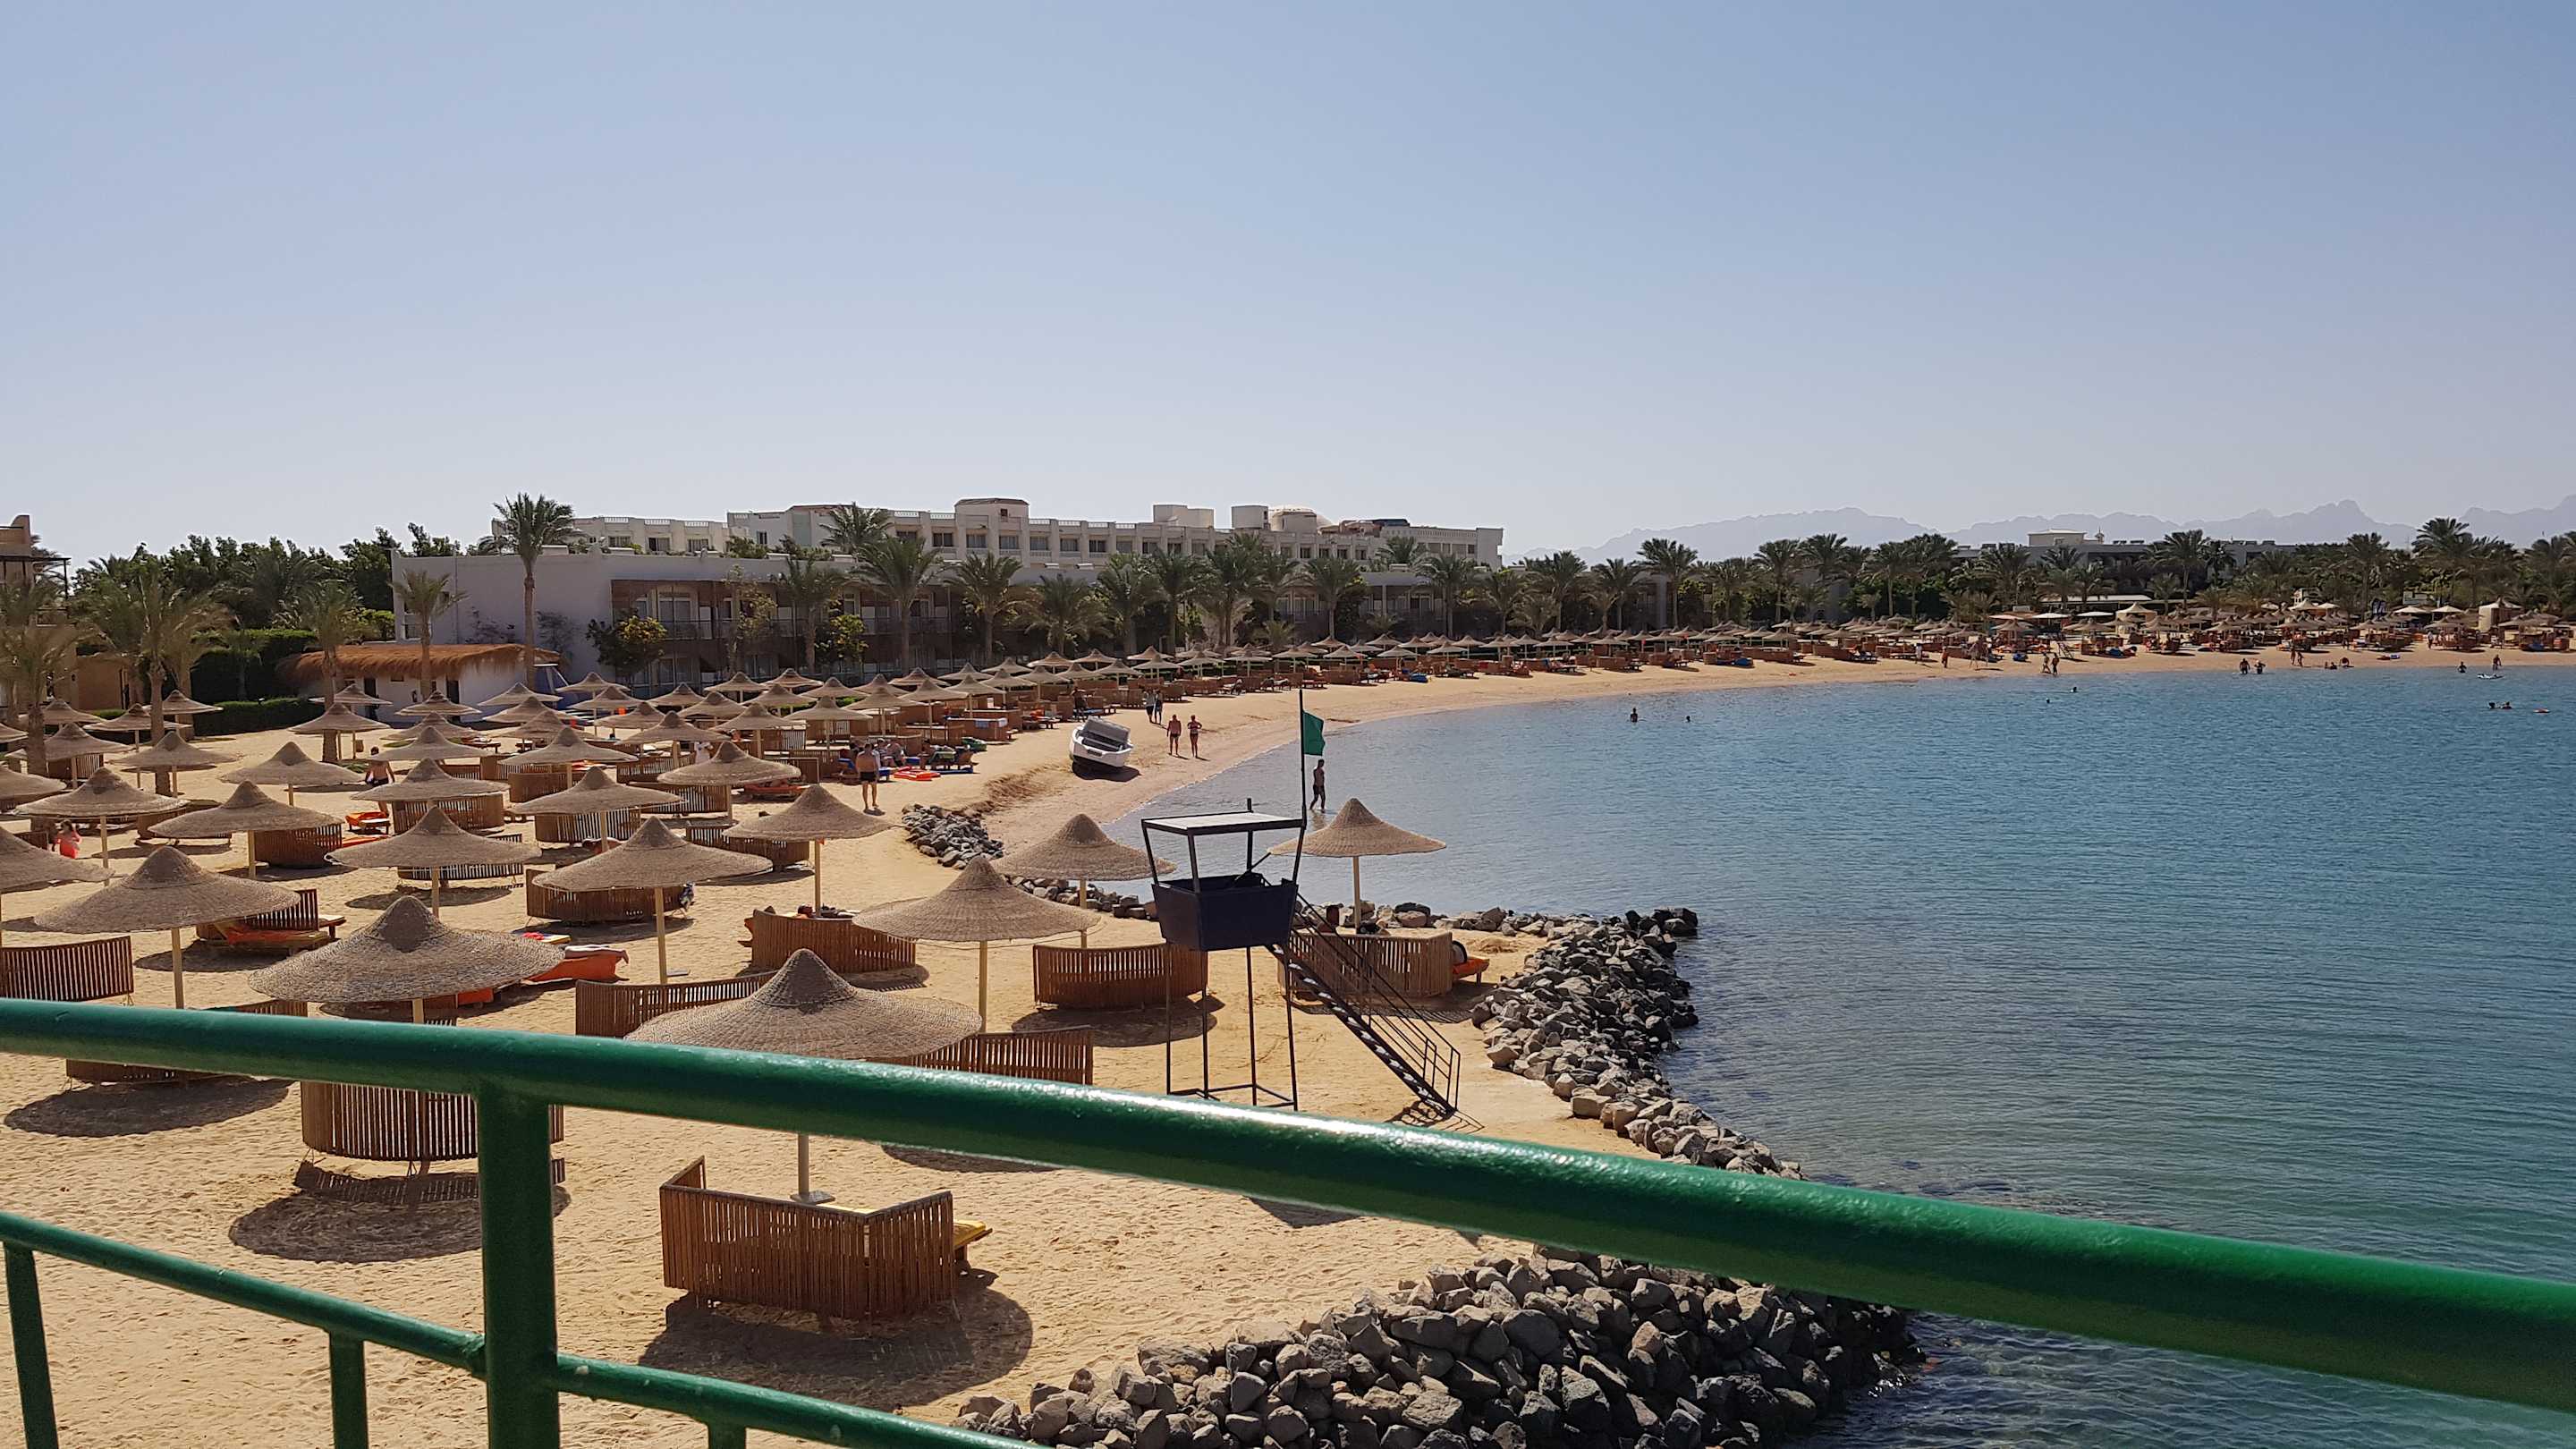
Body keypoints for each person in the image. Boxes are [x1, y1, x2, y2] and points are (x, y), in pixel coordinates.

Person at [852, 741, 882, 813]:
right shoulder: (872, 756)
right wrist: (877, 775)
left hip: (863, 773)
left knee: (865, 790)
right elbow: (876, 766)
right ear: (870, 748)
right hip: (871, 773)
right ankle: (873, 802)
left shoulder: (860, 755)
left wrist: (859, 773)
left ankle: (867, 805)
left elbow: (857, 765)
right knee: (873, 789)